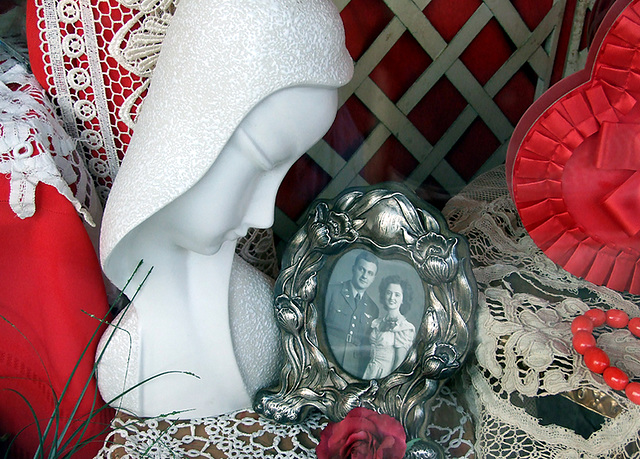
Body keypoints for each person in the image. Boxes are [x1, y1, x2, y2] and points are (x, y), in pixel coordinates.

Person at [95, 0, 353, 418]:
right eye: (260, 162)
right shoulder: (128, 361)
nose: (264, 217)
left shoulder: (259, 314)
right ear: (191, 129)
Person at [325, 251, 380, 378]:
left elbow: (367, 345)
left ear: (373, 278)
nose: (364, 276)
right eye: (362, 269)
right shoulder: (333, 291)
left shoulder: (373, 309)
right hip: (328, 357)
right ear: (354, 269)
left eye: (370, 273)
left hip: (352, 366)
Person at [362, 275, 416, 380]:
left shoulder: (404, 328)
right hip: (370, 371)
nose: (392, 298)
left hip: (385, 374)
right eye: (389, 293)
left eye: (397, 295)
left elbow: (399, 363)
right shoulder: (377, 322)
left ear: (403, 299)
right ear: (384, 295)